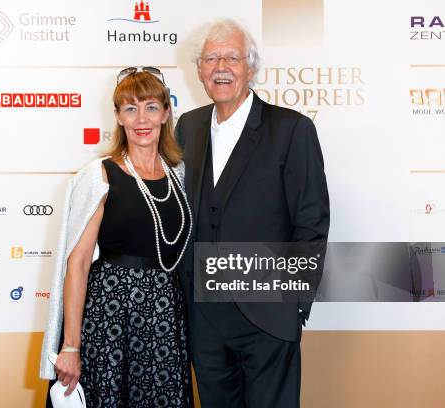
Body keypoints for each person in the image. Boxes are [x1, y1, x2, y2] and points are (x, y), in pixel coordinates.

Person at [175, 20, 330, 407]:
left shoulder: (291, 129)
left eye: (232, 57)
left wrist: (293, 304)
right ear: (199, 71)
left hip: (267, 313)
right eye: (211, 58)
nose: (221, 66)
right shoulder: (187, 127)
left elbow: (311, 222)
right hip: (203, 319)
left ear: (251, 68)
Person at [40, 67, 193, 407]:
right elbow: (77, 264)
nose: (142, 119)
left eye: (151, 107)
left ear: (167, 113)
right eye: (130, 108)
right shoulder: (100, 175)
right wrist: (70, 346)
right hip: (109, 316)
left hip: (164, 316)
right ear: (118, 116)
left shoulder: (179, 174)